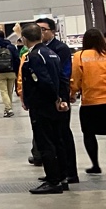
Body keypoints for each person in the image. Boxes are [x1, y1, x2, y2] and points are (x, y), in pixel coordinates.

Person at [21, 23, 71, 194]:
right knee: (58, 140)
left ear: (24, 39)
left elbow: (43, 81)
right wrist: (62, 99)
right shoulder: (52, 53)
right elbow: (63, 78)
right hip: (55, 105)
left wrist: (52, 98)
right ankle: (62, 176)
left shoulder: (34, 56)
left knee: (45, 143)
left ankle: (53, 181)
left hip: (42, 105)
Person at [36, 16, 78, 182]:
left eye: (43, 29)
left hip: (60, 97)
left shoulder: (60, 49)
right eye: (37, 29)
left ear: (52, 31)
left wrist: (62, 97)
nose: (40, 32)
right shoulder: (38, 49)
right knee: (51, 137)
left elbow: (64, 74)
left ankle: (70, 173)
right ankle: (56, 172)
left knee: (63, 134)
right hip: (46, 99)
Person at [72, 27, 106, 175]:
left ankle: (95, 165)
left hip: (90, 102)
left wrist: (72, 93)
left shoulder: (79, 56)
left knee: (88, 133)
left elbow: (76, 78)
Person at [0, 29, 20, 117]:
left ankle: (8, 109)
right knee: (9, 91)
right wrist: (17, 71)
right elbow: (17, 59)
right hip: (11, 71)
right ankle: (8, 109)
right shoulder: (11, 46)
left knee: (3, 91)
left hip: (0, 72)